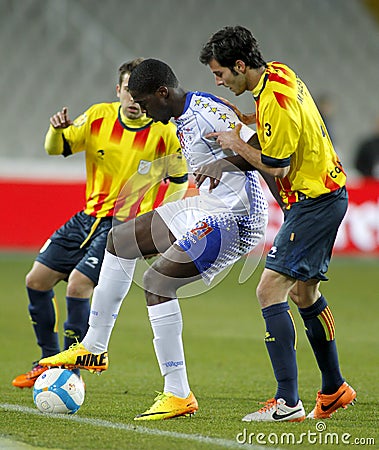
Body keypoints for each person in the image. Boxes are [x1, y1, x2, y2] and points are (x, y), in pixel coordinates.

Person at [39, 58, 271, 421]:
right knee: (121, 239)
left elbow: (264, 152)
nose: (143, 111)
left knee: (157, 281)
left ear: (162, 93)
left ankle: (178, 393)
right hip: (207, 205)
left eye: (145, 103)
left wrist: (283, 207)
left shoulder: (207, 114)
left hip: (237, 216)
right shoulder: (181, 114)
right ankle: (94, 347)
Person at [199, 25, 356, 422]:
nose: (218, 81)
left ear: (239, 65)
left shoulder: (278, 100)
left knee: (269, 290)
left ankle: (287, 402)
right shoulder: (278, 74)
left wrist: (235, 144)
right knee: (304, 294)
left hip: (314, 202)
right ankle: (334, 388)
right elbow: (271, 123)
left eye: (220, 74)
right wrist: (243, 118)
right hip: (325, 194)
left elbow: (277, 164)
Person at [12, 58, 188, 389]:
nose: (133, 101)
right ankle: (47, 361)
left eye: (139, 95)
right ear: (119, 89)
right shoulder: (97, 116)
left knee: (80, 284)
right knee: (35, 280)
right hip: (88, 217)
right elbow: (55, 148)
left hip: (123, 227)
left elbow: (179, 179)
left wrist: (162, 218)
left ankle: (71, 368)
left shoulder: (163, 130)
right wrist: (57, 130)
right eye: (128, 91)